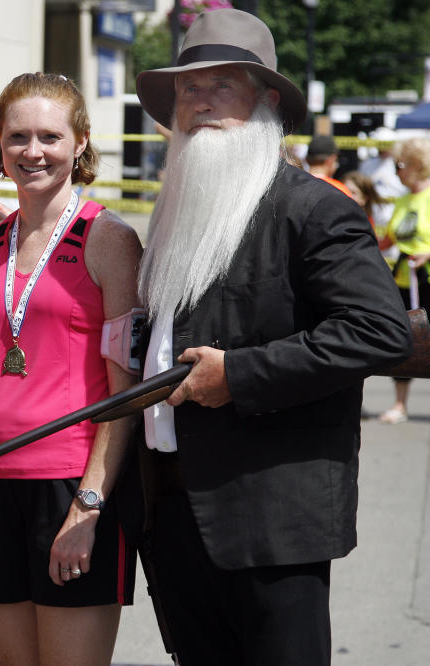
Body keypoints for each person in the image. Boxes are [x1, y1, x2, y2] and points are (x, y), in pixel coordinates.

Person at [134, 9, 411, 665]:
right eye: (187, 88)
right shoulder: (174, 212)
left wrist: (240, 375)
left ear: (267, 100)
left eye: (221, 84)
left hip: (272, 513)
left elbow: (379, 330)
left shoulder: (312, 208)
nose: (199, 102)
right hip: (173, 510)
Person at [0, 73, 142, 666]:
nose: (32, 151)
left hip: (69, 487)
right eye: (16, 136)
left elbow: (125, 394)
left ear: (79, 142)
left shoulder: (108, 238)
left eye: (49, 136)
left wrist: (89, 506)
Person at [377, 137, 430, 424]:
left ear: (415, 165)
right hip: (404, 279)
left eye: (399, 165)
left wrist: (427, 253)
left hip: (427, 279)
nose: (396, 172)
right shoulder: (404, 200)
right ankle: (400, 404)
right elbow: (388, 239)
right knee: (404, 338)